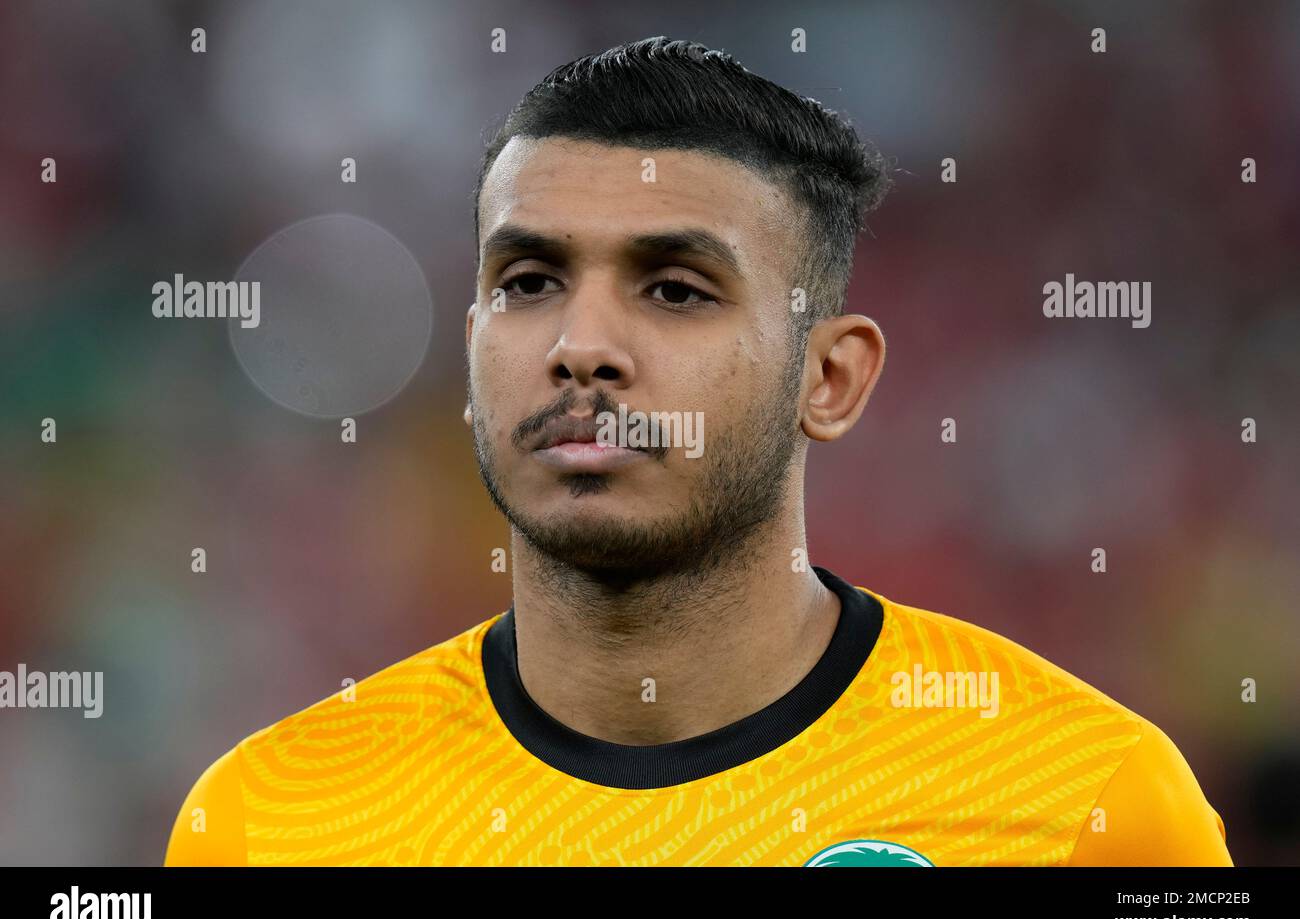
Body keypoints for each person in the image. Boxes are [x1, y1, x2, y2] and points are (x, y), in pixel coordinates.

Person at [166, 36, 1230, 867]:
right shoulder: (270, 819)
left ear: (830, 379)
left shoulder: (1091, 798)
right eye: (529, 282)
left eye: (675, 289)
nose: (582, 348)